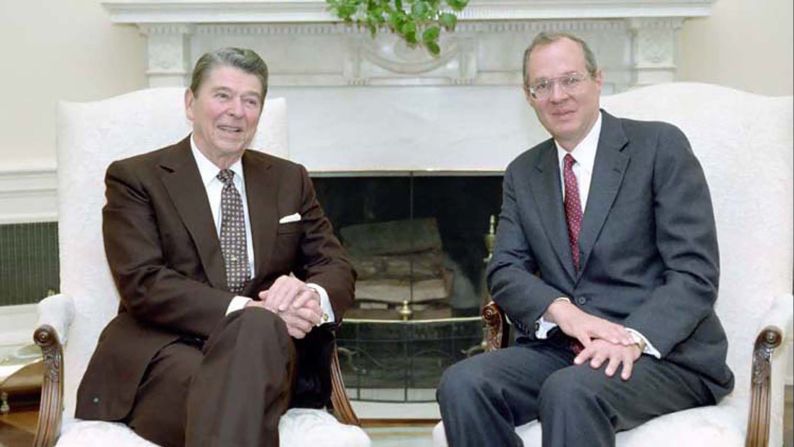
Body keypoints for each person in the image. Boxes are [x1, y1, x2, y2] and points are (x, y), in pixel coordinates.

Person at [437, 32, 734, 447]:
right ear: (529, 96)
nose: (558, 95)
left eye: (571, 79)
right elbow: (505, 269)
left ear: (598, 80)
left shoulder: (658, 147)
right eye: (543, 85)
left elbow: (694, 273)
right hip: (566, 347)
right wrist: (564, 312)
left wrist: (632, 338)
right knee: (463, 383)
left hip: (664, 355)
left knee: (571, 391)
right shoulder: (524, 173)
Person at [75, 47, 355, 447]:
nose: (236, 111)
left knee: (257, 336)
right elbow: (143, 282)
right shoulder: (136, 178)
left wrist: (309, 296)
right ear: (191, 103)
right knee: (247, 353)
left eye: (250, 100)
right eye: (222, 95)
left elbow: (336, 265)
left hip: (271, 358)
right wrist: (252, 311)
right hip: (168, 353)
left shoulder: (289, 180)